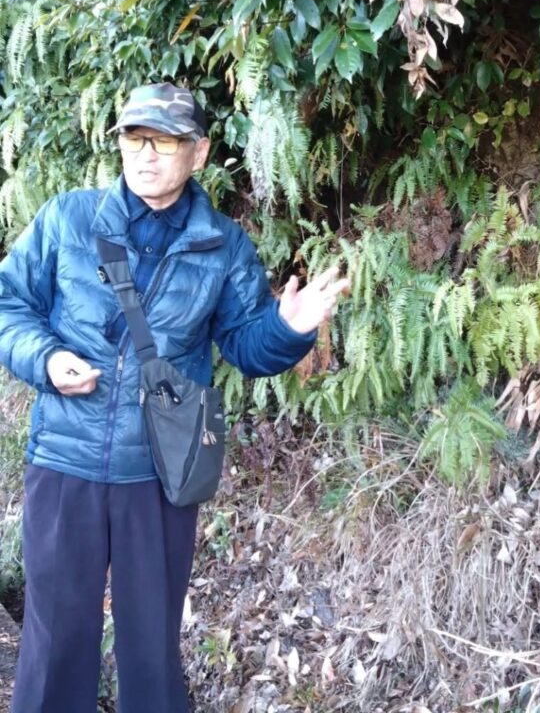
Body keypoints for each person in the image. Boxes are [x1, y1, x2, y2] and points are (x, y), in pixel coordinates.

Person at [0, 83, 349, 713]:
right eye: (135, 139)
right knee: (54, 645)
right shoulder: (68, 219)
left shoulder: (222, 246)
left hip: (160, 474)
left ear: (200, 152)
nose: (146, 155)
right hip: (64, 462)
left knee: (151, 650)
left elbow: (246, 345)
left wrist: (289, 330)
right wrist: (45, 358)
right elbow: (9, 304)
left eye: (163, 142)